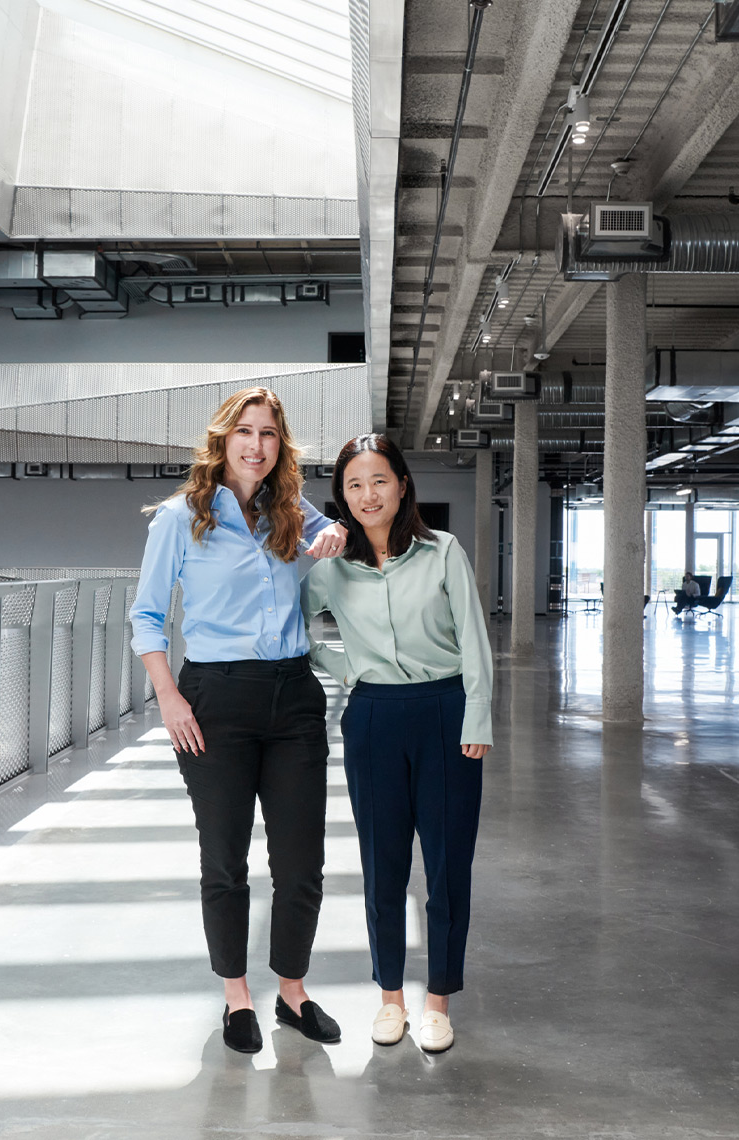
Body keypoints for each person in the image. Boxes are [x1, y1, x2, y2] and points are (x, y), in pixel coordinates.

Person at [129, 386, 348, 1055]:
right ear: (223, 439)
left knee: (301, 862)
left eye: (270, 434)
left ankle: (292, 992)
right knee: (225, 860)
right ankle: (236, 998)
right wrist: (169, 698)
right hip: (215, 701)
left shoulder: (289, 510)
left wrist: (332, 533)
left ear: (281, 446)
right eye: (246, 432)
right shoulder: (182, 517)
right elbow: (146, 617)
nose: (257, 445)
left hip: (292, 696)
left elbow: (329, 538)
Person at [301, 434, 493, 1054]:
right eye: (354, 485)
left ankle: (437, 1002)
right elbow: (291, 625)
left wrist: (478, 719)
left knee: (446, 866)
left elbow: (474, 639)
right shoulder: (331, 568)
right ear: (342, 498)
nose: (367, 494)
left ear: (402, 485)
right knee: (383, 866)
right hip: (374, 718)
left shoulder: (442, 552)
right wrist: (346, 667)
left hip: (444, 712)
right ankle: (390, 999)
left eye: (378, 480)